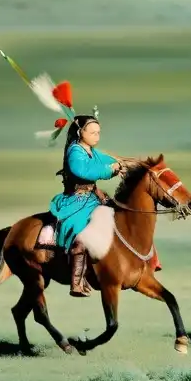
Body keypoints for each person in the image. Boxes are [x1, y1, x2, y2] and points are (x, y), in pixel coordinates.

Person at [50, 115, 127, 297]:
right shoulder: (75, 151)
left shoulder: (91, 150)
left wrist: (124, 164)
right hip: (76, 200)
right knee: (81, 233)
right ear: (80, 132)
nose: (96, 136)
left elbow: (106, 159)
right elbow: (83, 171)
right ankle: (76, 282)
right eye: (92, 133)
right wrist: (111, 169)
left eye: (98, 133)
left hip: (93, 197)